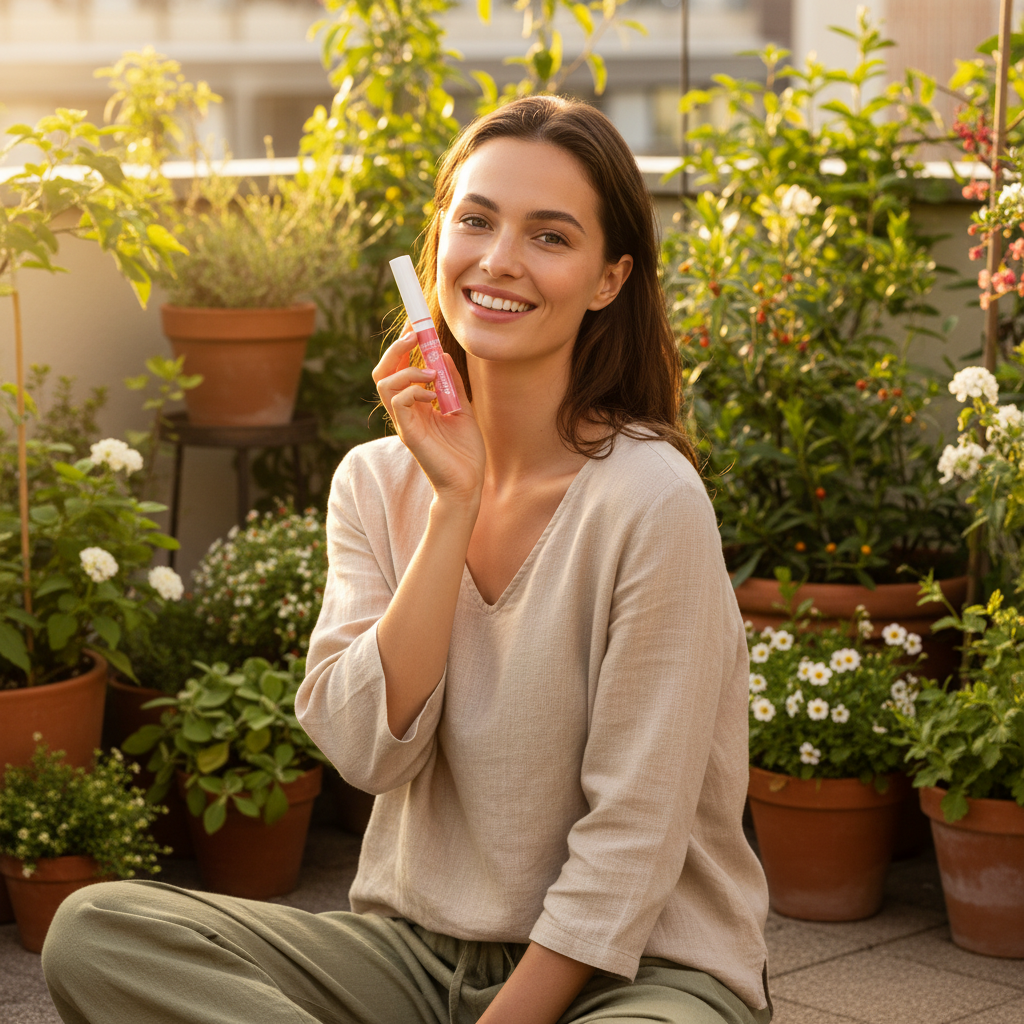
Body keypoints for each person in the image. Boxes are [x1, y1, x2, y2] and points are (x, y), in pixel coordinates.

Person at [42, 95, 771, 1024]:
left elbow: (633, 837)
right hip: (417, 959)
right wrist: (452, 503)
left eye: (550, 236)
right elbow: (363, 753)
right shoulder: (375, 482)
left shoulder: (651, 498)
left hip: (635, 974)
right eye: (477, 220)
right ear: (439, 242)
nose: (499, 259)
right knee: (99, 932)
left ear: (608, 279)